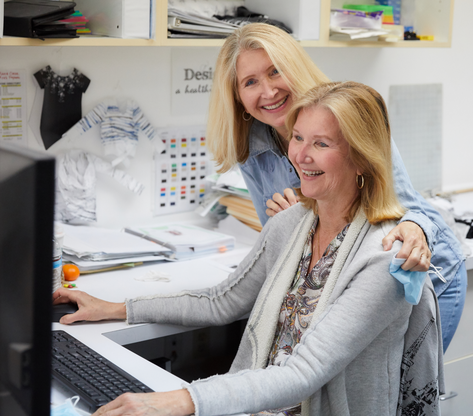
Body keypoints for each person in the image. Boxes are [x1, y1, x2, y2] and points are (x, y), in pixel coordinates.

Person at [54, 81, 443, 416]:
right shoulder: (292, 222)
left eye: (321, 143)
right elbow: (221, 301)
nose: (301, 156)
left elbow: (303, 374)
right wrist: (117, 308)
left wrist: (181, 400)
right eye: (298, 137)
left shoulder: (386, 258)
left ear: (361, 156)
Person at [206, 23, 466, 351]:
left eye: (275, 72)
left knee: (400, 398)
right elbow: (280, 246)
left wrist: (413, 227)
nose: (269, 91)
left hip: (425, 276)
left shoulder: (346, 115)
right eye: (251, 82)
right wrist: (290, 226)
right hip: (352, 288)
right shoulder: (251, 149)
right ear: (238, 98)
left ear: (295, 70)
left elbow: (410, 209)